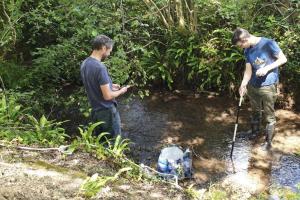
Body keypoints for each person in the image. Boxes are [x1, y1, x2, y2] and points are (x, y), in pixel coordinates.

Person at [232, 28, 287, 149]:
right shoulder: (247, 49)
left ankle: (268, 142)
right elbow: (248, 69)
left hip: (268, 85)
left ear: (245, 39)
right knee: (255, 110)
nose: (241, 47)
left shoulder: (268, 43)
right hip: (253, 85)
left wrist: (266, 69)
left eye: (241, 45)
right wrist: (243, 83)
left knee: (269, 115)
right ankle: (254, 132)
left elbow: (283, 59)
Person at [80, 35, 130, 138]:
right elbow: (107, 96)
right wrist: (122, 91)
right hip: (107, 111)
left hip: (95, 111)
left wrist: (111, 86)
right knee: (113, 141)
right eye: (109, 51)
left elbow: (94, 84)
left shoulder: (85, 63)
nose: (109, 53)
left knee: (101, 139)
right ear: (103, 48)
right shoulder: (100, 67)